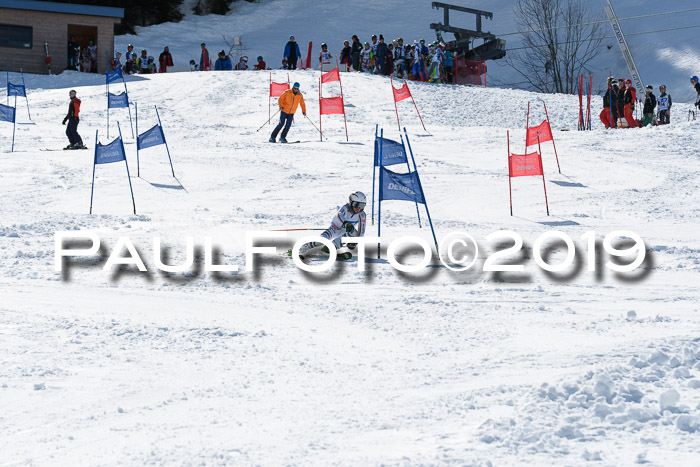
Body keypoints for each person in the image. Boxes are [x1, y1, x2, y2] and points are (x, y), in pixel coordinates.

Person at [291, 192, 367, 261]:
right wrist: (346, 223)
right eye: (356, 204)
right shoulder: (345, 207)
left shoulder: (362, 215)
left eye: (362, 205)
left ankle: (330, 248)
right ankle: (300, 249)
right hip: (335, 228)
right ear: (351, 202)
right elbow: (339, 215)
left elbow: (361, 232)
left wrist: (355, 242)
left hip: (345, 232)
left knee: (354, 233)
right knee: (320, 241)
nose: (359, 208)